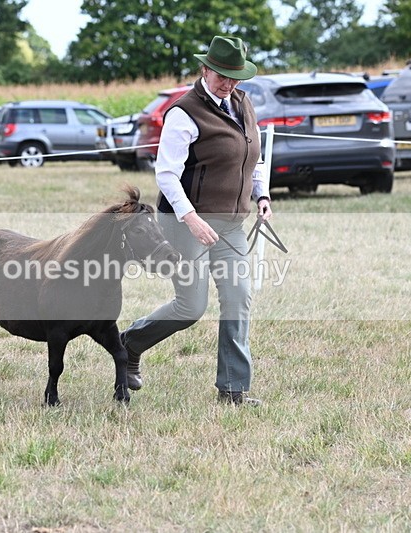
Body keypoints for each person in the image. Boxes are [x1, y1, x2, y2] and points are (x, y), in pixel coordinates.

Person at [120, 36, 272, 406]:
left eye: (235, 76)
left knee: (238, 298)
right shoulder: (182, 112)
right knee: (191, 306)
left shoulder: (243, 104)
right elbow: (167, 175)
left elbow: (254, 159)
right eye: (222, 75)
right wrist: (191, 218)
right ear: (205, 69)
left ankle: (233, 389)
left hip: (231, 223)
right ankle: (128, 345)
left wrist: (261, 194)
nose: (229, 83)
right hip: (185, 221)